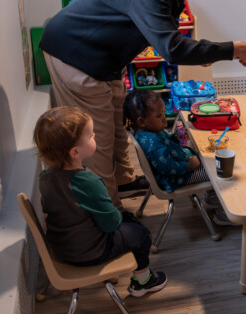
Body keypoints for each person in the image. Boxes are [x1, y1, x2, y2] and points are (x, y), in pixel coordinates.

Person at [39, 0, 246, 208]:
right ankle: (112, 213)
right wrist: (233, 48)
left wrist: (204, 54)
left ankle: (123, 181)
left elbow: (168, 35)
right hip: (74, 53)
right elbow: (172, 49)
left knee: (118, 126)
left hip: (106, 59)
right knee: (97, 142)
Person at [33, 106, 167, 297]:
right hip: (91, 252)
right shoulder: (88, 182)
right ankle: (143, 281)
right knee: (141, 234)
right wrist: (116, 214)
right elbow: (111, 223)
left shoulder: (45, 176)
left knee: (127, 218)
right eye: (90, 135)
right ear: (75, 153)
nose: (95, 135)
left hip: (60, 247)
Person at [124, 89, 237, 226]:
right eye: (159, 116)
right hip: (176, 178)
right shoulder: (152, 144)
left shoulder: (148, 133)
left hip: (177, 170)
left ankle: (212, 198)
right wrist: (189, 166)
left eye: (163, 113)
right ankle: (223, 214)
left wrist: (175, 138)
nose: (164, 118)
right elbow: (167, 167)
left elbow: (166, 145)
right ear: (142, 121)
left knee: (209, 159)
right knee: (219, 170)